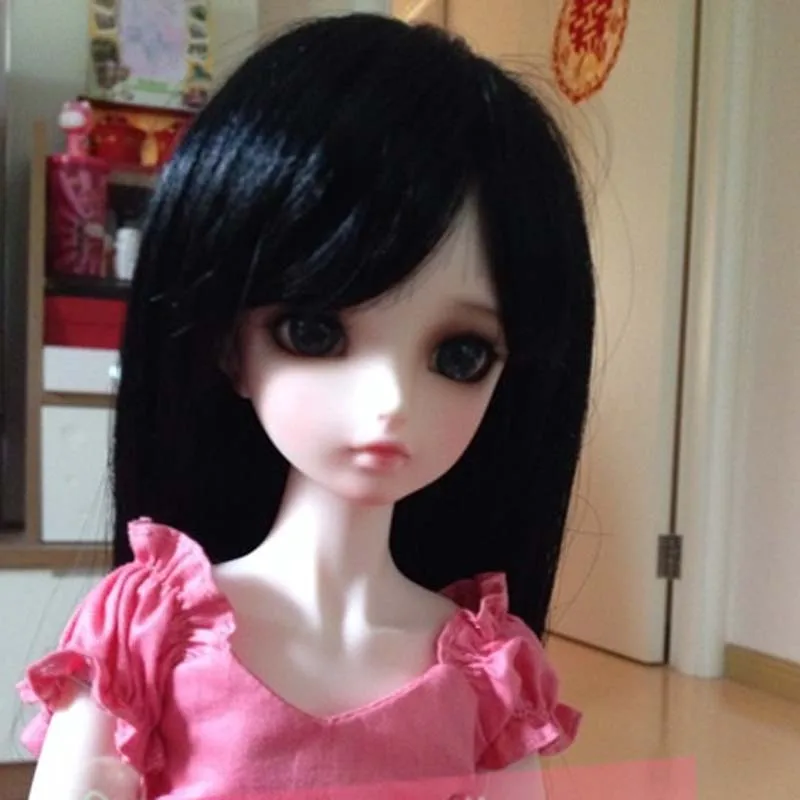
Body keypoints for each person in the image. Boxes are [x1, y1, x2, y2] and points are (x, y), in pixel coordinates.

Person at [17, 13, 595, 800]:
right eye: (315, 333)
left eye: (460, 355)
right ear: (231, 348)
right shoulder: (147, 633)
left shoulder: (490, 674)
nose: (391, 402)